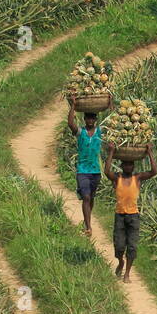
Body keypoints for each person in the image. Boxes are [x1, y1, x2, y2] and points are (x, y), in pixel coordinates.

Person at [106, 142, 157, 282]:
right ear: (122, 166)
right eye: (126, 165)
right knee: (119, 245)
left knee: (132, 246)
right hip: (120, 215)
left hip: (133, 216)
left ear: (133, 167)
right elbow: (106, 171)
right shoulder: (117, 178)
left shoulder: (137, 178)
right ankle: (121, 262)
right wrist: (111, 151)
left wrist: (149, 152)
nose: (128, 167)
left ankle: (127, 273)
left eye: (131, 165)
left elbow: (154, 171)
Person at [65, 96, 103, 237]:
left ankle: (87, 220)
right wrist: (73, 106)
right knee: (86, 197)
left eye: (93, 118)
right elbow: (70, 123)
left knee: (91, 197)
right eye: (88, 118)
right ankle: (88, 227)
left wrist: (111, 104)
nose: (90, 121)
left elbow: (113, 123)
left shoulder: (99, 132)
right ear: (85, 119)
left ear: (95, 120)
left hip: (96, 171)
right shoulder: (80, 133)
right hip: (82, 171)